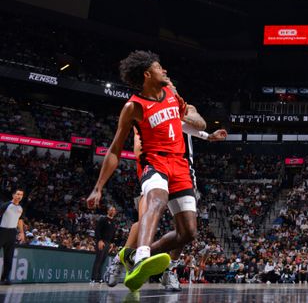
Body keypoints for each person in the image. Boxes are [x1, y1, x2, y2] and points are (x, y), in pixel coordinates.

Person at [88, 51, 198, 292]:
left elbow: (186, 119)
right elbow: (115, 149)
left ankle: (129, 256)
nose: (165, 71)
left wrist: (206, 132)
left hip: (180, 164)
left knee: (189, 232)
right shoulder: (133, 107)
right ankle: (142, 257)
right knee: (156, 201)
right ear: (147, 74)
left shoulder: (172, 92)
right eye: (160, 68)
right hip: (154, 161)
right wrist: (98, 188)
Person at [105, 76, 227, 291]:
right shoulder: (148, 110)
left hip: (184, 169)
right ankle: (120, 260)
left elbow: (195, 124)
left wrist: (207, 135)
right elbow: (137, 145)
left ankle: (165, 267)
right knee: (146, 216)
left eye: (170, 83)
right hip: (155, 165)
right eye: (165, 83)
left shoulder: (184, 107)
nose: (167, 85)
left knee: (185, 230)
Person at [0, 189, 25, 285]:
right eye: (18, 194)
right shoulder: (6, 205)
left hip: (12, 233)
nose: (19, 196)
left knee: (9, 257)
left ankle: (4, 278)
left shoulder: (21, 208)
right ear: (13, 195)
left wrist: (22, 232)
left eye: (21, 195)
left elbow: (20, 220)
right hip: (2, 230)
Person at [91, 206, 117, 283]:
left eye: (114, 210)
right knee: (98, 260)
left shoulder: (113, 222)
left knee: (102, 261)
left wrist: (112, 243)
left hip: (108, 243)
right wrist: (99, 240)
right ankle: (93, 278)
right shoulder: (103, 219)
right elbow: (97, 230)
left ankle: (99, 278)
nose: (113, 211)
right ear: (108, 211)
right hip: (102, 242)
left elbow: (113, 234)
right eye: (111, 210)